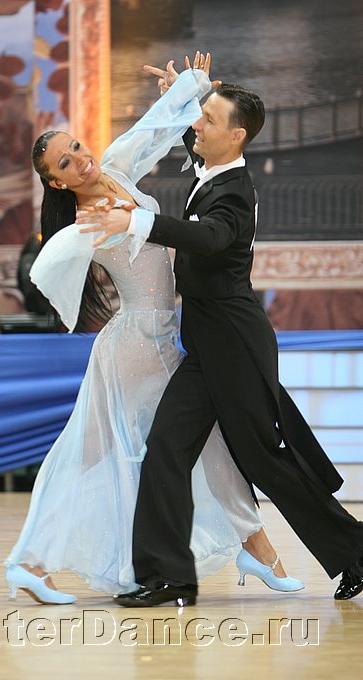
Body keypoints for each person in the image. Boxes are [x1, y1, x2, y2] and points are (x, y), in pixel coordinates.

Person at [5, 54, 303, 605]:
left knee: (180, 447)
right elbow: (47, 266)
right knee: (98, 452)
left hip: (163, 338)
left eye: (76, 147)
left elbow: (153, 130)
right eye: (65, 163)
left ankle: (257, 550)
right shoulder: (85, 222)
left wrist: (188, 90)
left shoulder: (116, 169)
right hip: (135, 347)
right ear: (55, 181)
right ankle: (31, 562)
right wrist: (67, 276)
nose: (80, 159)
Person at [78, 62, 363, 607]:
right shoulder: (213, 169)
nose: (198, 127)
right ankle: (168, 576)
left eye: (209, 120)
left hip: (234, 345)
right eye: (200, 118)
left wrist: (136, 222)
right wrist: (183, 96)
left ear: (236, 136)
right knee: (166, 448)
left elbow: (209, 237)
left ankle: (355, 550)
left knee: (264, 460)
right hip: (208, 347)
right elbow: (188, 140)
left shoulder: (233, 193)